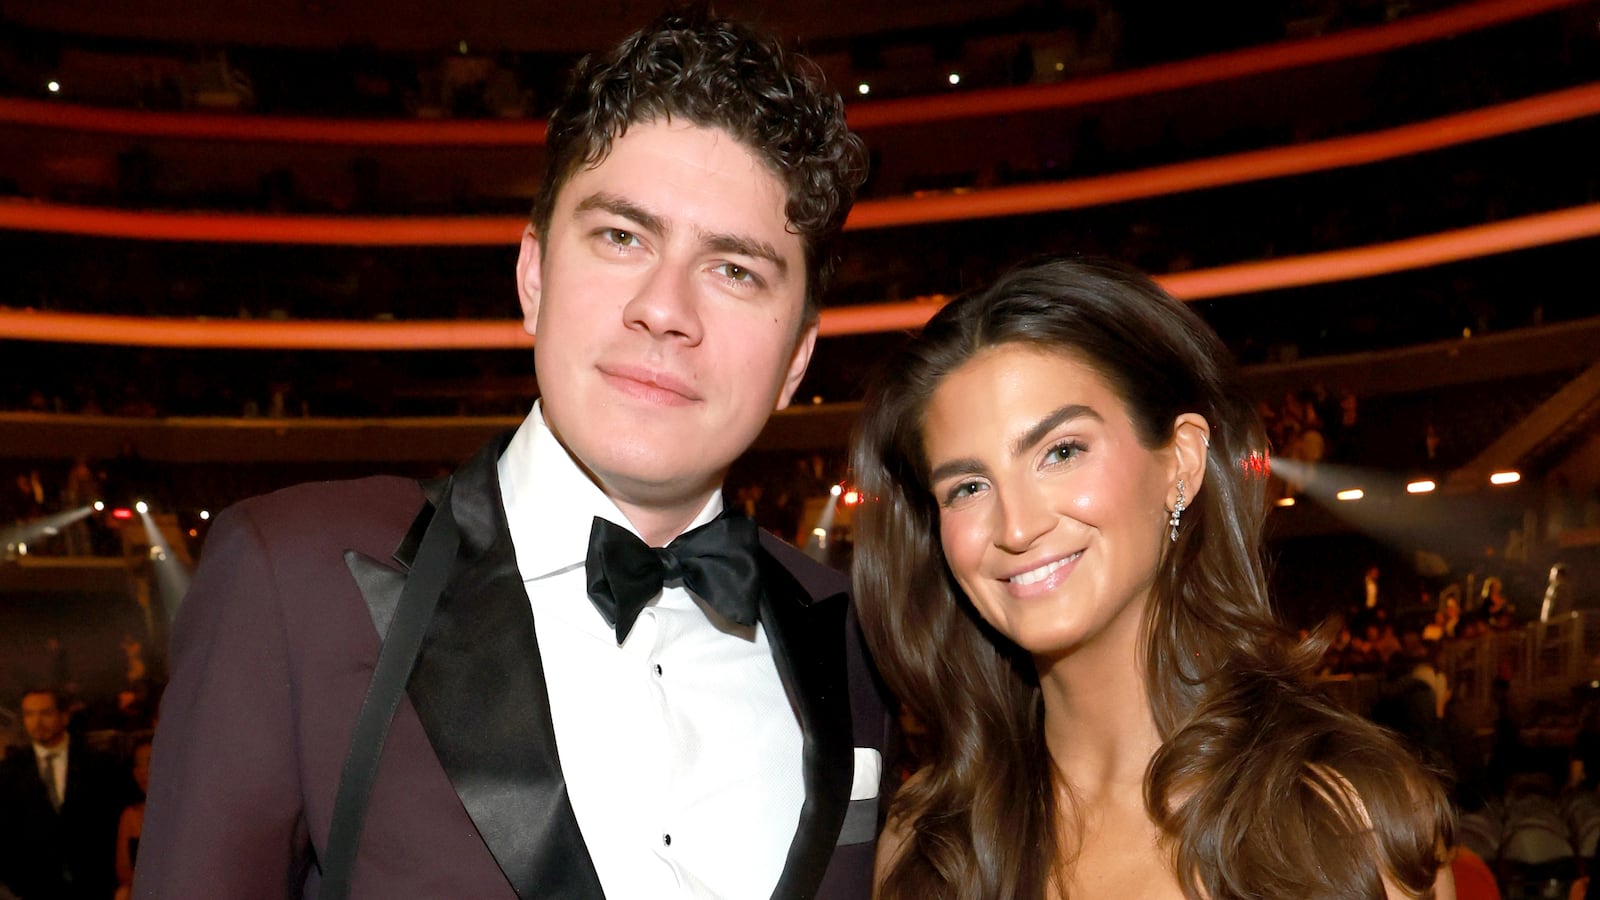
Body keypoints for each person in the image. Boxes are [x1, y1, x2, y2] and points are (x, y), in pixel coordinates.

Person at [135, 11, 890, 899]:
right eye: (621, 237)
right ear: (534, 278)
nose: (664, 307)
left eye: (735, 270)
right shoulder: (292, 582)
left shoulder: (857, 633)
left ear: (798, 357)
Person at [850, 258, 1455, 899]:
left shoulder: (1345, 824)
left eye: (1061, 451)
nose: (1017, 527)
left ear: (1182, 463)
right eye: (968, 486)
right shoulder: (926, 843)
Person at [0, 688, 134, 900]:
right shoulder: (8, 772)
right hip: (36, 891)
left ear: (65, 716)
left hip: (97, 887)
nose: (37, 722)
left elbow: (116, 824)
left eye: (45, 713)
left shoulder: (100, 764)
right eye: (29, 714)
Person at [113, 738, 152, 900]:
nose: (143, 771)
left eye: (150, 762)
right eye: (138, 765)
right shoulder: (130, 815)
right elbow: (123, 871)